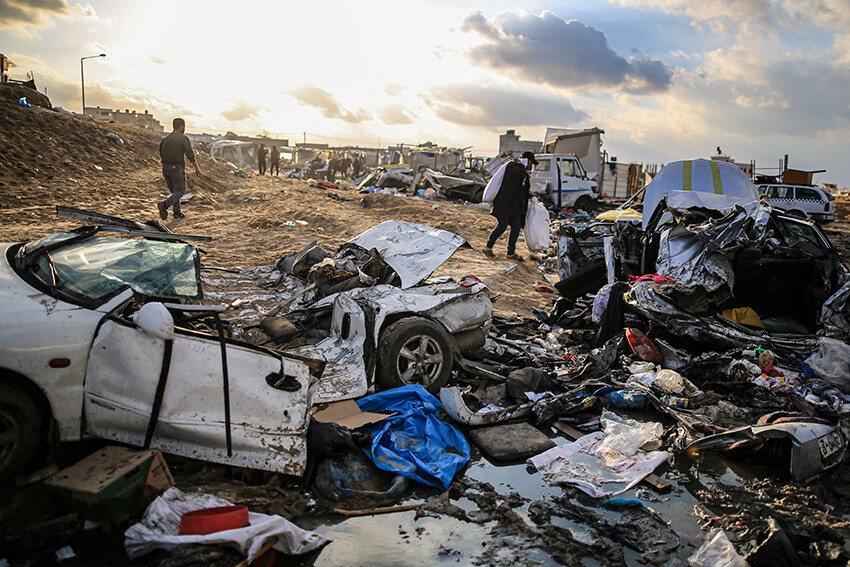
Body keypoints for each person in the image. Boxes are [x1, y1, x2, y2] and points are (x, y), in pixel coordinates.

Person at [482, 151, 537, 260]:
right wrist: (521, 164)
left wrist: (531, 196)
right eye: (531, 163)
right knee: (502, 226)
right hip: (504, 203)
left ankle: (510, 253)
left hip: (514, 206)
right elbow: (517, 175)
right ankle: (488, 248)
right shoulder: (513, 167)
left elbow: (522, 188)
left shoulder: (522, 170)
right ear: (527, 161)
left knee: (516, 228)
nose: (531, 166)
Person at [158, 117, 201, 220]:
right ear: (182, 126)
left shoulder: (165, 140)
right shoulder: (183, 139)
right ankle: (164, 204)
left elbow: (161, 153)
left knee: (175, 192)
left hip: (165, 168)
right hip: (177, 169)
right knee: (180, 191)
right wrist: (197, 168)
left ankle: (176, 213)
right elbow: (189, 154)